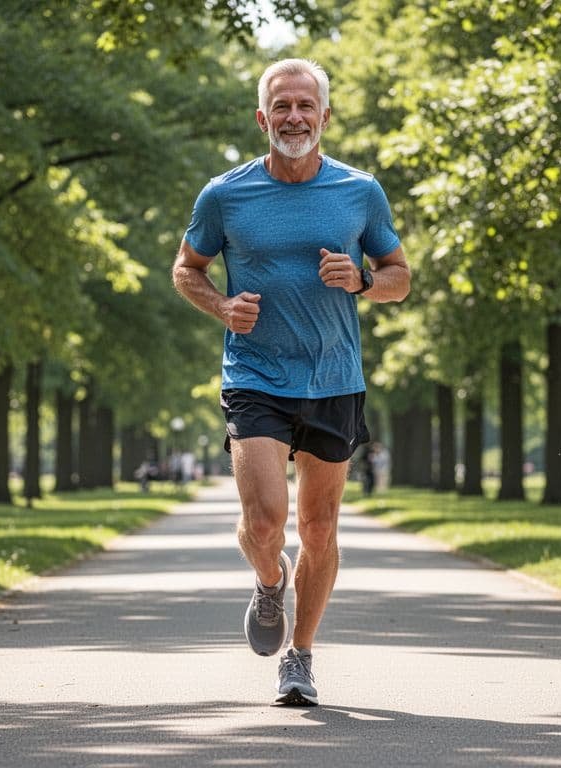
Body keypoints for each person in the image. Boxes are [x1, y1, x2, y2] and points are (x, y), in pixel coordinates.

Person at [171, 58, 410, 706]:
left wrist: (363, 280)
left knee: (321, 526)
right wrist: (222, 306)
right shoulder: (225, 194)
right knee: (265, 520)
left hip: (334, 377)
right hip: (255, 374)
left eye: (306, 106)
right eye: (282, 106)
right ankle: (269, 580)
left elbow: (399, 276)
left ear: (325, 116)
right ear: (262, 117)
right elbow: (186, 268)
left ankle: (299, 656)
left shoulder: (360, 191)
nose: (295, 117)